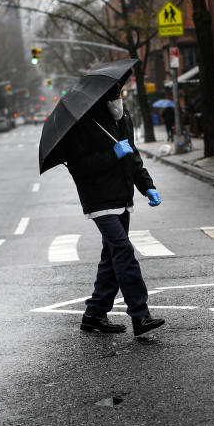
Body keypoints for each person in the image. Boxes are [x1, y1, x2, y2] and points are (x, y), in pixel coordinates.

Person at [61, 83, 165, 337]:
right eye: (114, 95)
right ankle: (140, 315)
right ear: (102, 98)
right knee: (123, 250)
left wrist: (147, 186)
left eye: (121, 94)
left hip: (122, 195)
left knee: (111, 258)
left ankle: (94, 314)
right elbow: (78, 166)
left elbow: (133, 155)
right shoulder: (83, 123)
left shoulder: (123, 117)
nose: (119, 99)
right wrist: (112, 153)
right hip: (98, 199)